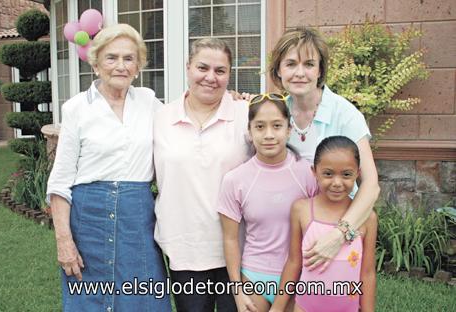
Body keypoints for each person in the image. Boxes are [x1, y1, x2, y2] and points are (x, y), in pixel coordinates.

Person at [46, 24, 171, 312]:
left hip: (137, 221)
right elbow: (61, 181)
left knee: (144, 299)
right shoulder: (76, 108)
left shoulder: (150, 103)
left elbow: (186, 122)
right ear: (96, 62)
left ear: (138, 65)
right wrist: (64, 241)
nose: (120, 66)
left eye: (129, 58)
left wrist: (238, 107)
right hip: (88, 221)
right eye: (111, 57)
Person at [268, 27, 380, 271]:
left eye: (309, 64)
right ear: (278, 70)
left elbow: (371, 185)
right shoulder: (277, 113)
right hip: (287, 234)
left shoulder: (345, 114)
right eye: (290, 64)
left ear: (320, 70)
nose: (300, 73)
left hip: (335, 232)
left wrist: (338, 235)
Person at [153, 38, 250, 311]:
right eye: (202, 68)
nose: (211, 77)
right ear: (188, 67)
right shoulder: (161, 117)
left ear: (229, 74)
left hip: (239, 249)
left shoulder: (246, 115)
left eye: (220, 71)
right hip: (185, 247)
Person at [217, 93, 318, 312]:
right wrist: (237, 290)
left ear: (289, 129)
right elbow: (230, 239)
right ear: (250, 132)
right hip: (254, 278)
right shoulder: (235, 180)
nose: (269, 135)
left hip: (299, 279)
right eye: (260, 127)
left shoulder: (308, 174)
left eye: (277, 126)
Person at [271, 136, 377, 312]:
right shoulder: (302, 210)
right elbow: (293, 262)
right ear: (314, 171)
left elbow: (367, 273)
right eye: (328, 173)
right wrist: (277, 308)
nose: (337, 183)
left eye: (346, 174)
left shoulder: (367, 218)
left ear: (358, 173)